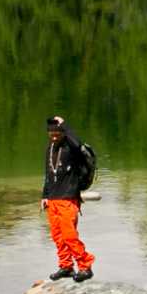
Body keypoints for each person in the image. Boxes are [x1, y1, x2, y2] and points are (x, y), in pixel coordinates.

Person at [41, 114, 98, 282]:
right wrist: (44, 196)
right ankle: (65, 266)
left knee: (69, 236)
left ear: (63, 133)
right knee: (57, 236)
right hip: (53, 199)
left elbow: (78, 144)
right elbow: (48, 175)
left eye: (58, 133)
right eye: (51, 133)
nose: (55, 136)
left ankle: (85, 266)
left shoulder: (71, 147)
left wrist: (65, 125)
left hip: (68, 198)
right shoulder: (50, 148)